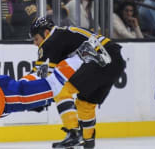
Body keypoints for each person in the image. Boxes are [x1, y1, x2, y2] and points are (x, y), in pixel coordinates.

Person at [29, 17, 126, 148]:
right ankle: (88, 143)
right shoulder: (64, 35)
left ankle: (73, 133)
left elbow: (41, 74)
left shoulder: (52, 39)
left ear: (46, 32)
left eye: (36, 38)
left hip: (100, 57)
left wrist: (33, 97)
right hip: (116, 60)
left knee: (60, 89)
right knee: (85, 104)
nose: (35, 43)